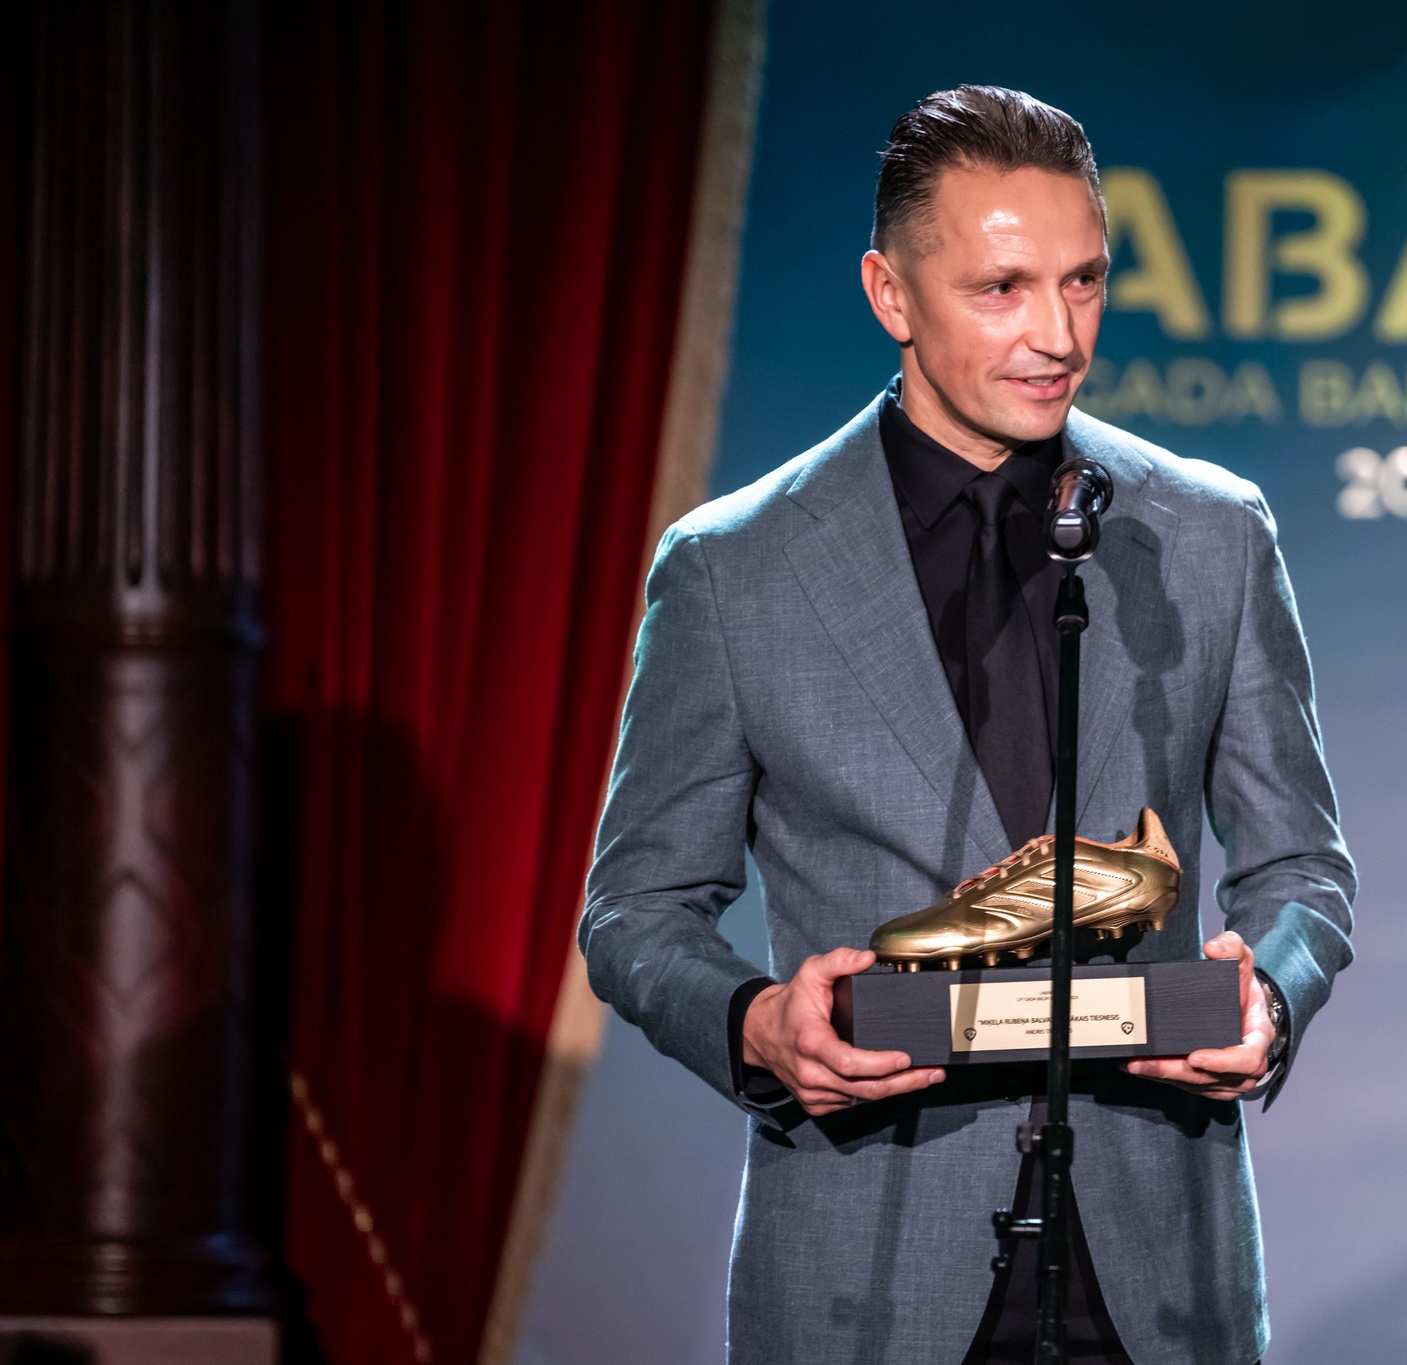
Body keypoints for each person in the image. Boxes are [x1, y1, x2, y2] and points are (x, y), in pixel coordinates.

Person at [580, 84, 1355, 1365]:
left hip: (1158, 1273)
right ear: (889, 295)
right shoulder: (731, 568)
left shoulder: (1210, 533)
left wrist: (1266, 996)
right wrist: (757, 1026)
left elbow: (1302, 870)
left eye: (1083, 281)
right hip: (864, 1268)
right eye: (1001, 289)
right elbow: (634, 912)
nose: (1055, 334)